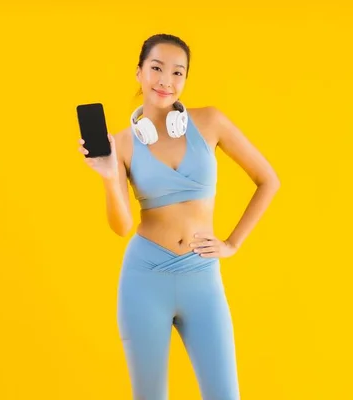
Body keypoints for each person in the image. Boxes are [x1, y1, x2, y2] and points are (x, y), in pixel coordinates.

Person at [77, 33, 280, 400]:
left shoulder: (211, 122)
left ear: (185, 80)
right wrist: (109, 177)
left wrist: (233, 243)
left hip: (201, 277)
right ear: (139, 73)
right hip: (144, 279)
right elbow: (122, 226)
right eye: (156, 68)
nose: (165, 81)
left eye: (177, 72)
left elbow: (268, 180)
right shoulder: (121, 143)